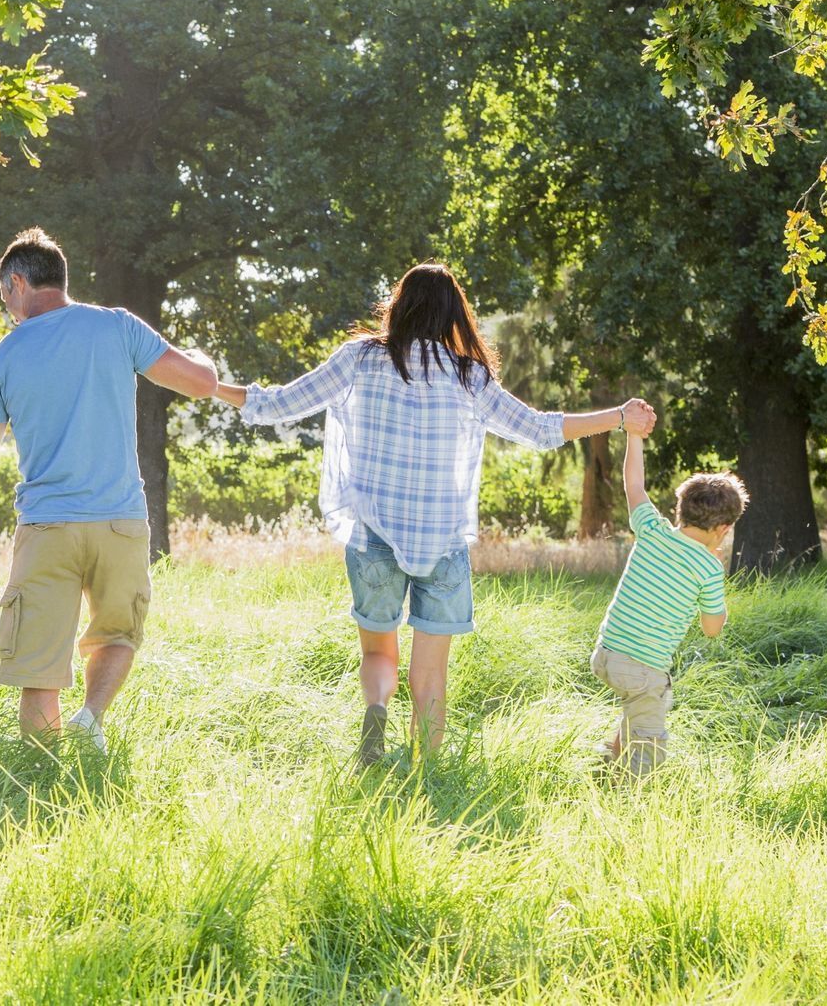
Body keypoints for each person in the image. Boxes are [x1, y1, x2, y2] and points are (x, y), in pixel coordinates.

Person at [211, 262, 656, 766]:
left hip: (373, 537)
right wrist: (619, 417)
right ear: (454, 314)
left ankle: (376, 709)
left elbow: (280, 403)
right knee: (431, 674)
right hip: (441, 543)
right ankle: (426, 770)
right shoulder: (469, 375)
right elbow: (539, 428)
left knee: (379, 654)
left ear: (399, 306)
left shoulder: (359, 358)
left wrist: (211, 386)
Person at [0, 228, 218, 752]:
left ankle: (41, 777)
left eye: (5, 294)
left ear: (21, 282)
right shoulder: (116, 328)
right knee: (118, 635)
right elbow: (200, 383)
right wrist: (205, 362)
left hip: (47, 527)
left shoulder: (2, 358)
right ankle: (90, 718)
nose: (6, 306)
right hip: (120, 523)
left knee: (37, 668)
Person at [591, 428, 746, 775]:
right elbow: (711, 628)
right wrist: (716, 585)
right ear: (723, 528)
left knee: (640, 707)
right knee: (648, 735)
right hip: (643, 668)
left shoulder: (652, 529)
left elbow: (633, 485)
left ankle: (604, 767)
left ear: (679, 509)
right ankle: (633, 799)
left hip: (606, 654)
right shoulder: (708, 567)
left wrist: (634, 435)